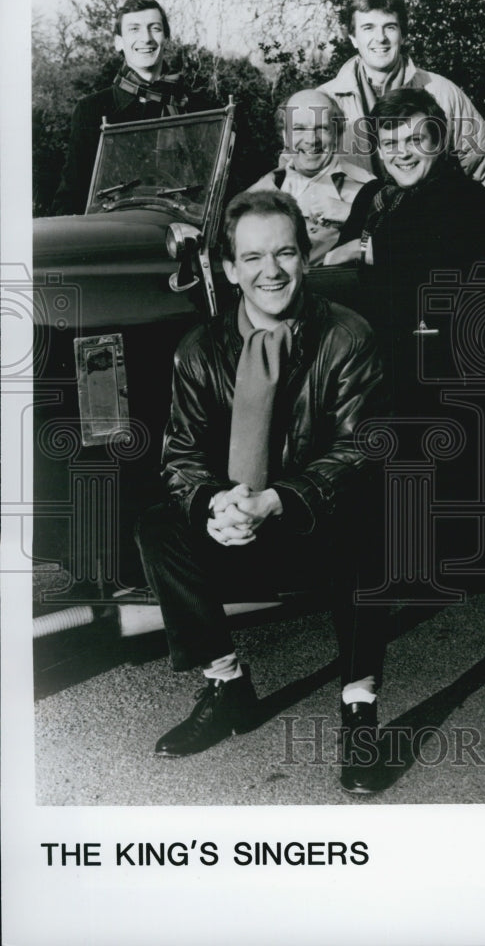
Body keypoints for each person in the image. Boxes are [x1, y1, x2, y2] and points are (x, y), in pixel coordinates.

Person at [135, 189, 387, 794]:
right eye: (252, 258)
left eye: (285, 253)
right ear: (228, 270)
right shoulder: (199, 350)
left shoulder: (347, 337)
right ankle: (227, 688)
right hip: (237, 521)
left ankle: (360, 709)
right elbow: (181, 456)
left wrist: (278, 498)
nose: (270, 271)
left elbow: (361, 449)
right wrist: (212, 504)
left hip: (315, 521)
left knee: (373, 512)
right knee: (156, 523)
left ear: (306, 258)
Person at [320, 0, 485, 219]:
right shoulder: (323, 101)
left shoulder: (440, 91)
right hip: (346, 229)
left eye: (389, 26)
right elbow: (296, 172)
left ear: (403, 34)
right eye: (368, 27)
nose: (380, 38)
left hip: (420, 230)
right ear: (352, 37)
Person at [325, 88, 485, 411]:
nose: (402, 153)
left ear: (439, 142)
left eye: (415, 140)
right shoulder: (373, 195)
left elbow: (434, 245)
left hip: (439, 365)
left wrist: (362, 248)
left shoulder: (463, 194)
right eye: (390, 144)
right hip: (368, 360)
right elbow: (338, 265)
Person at [53, 0, 202, 215]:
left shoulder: (199, 107)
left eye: (155, 29)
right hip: (117, 236)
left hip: (187, 231)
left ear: (166, 38)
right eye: (134, 29)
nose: (147, 38)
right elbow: (73, 192)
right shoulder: (92, 110)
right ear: (118, 42)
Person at [249, 89, 374, 264]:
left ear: (337, 135)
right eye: (299, 128)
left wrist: (355, 214)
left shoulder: (370, 190)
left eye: (321, 128)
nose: (311, 140)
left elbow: (398, 248)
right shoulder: (259, 192)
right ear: (285, 136)